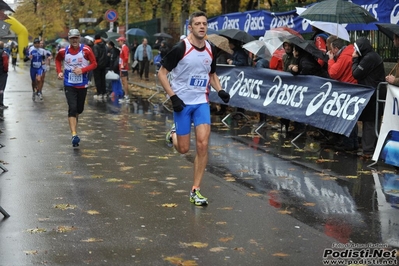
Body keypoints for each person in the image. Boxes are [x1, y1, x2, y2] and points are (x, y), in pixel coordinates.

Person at [158, 11, 230, 206]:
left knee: (203, 144)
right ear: (190, 27)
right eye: (197, 24)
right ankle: (173, 133)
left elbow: (212, 74)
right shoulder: (181, 48)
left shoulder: (210, 50)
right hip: (181, 103)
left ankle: (195, 190)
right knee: (183, 149)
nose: (201, 26)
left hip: (201, 102)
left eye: (204, 24)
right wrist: (173, 97)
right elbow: (162, 73)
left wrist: (220, 90)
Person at [55, 29, 97, 147]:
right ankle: (74, 135)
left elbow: (94, 64)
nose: (74, 40)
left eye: (76, 38)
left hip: (82, 84)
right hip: (69, 83)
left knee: (79, 109)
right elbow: (58, 60)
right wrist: (59, 72)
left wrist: (82, 70)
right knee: (72, 108)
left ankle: (74, 130)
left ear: (79, 38)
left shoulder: (86, 50)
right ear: (69, 39)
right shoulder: (64, 51)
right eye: (72, 38)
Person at [352, 37, 386, 157]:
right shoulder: (371, 56)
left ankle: (368, 150)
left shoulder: (369, 58)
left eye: (356, 49)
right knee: (371, 120)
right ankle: (371, 148)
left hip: (372, 92)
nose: (354, 52)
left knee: (369, 121)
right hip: (373, 91)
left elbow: (356, 73)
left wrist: (355, 60)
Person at [326, 36, 358, 151]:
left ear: (335, 49)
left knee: (346, 117)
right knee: (352, 117)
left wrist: (330, 60)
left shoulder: (344, 56)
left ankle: (348, 143)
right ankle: (353, 143)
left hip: (347, 88)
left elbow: (334, 73)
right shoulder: (350, 51)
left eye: (331, 49)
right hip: (352, 87)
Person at [92, 34, 108, 100]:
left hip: (97, 65)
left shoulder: (95, 46)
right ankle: (104, 92)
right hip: (104, 65)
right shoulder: (104, 45)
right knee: (103, 79)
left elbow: (96, 56)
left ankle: (99, 93)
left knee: (97, 79)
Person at [116, 36, 130, 103]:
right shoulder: (123, 48)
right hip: (122, 67)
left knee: (124, 82)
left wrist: (123, 65)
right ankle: (126, 96)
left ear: (122, 41)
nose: (118, 42)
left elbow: (126, 58)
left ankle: (126, 96)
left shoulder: (124, 48)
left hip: (123, 68)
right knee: (123, 82)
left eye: (119, 41)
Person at [0, 42, 9, 109]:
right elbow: (5, 63)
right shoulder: (4, 53)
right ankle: (1, 104)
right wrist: (5, 70)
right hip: (2, 72)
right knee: (1, 88)